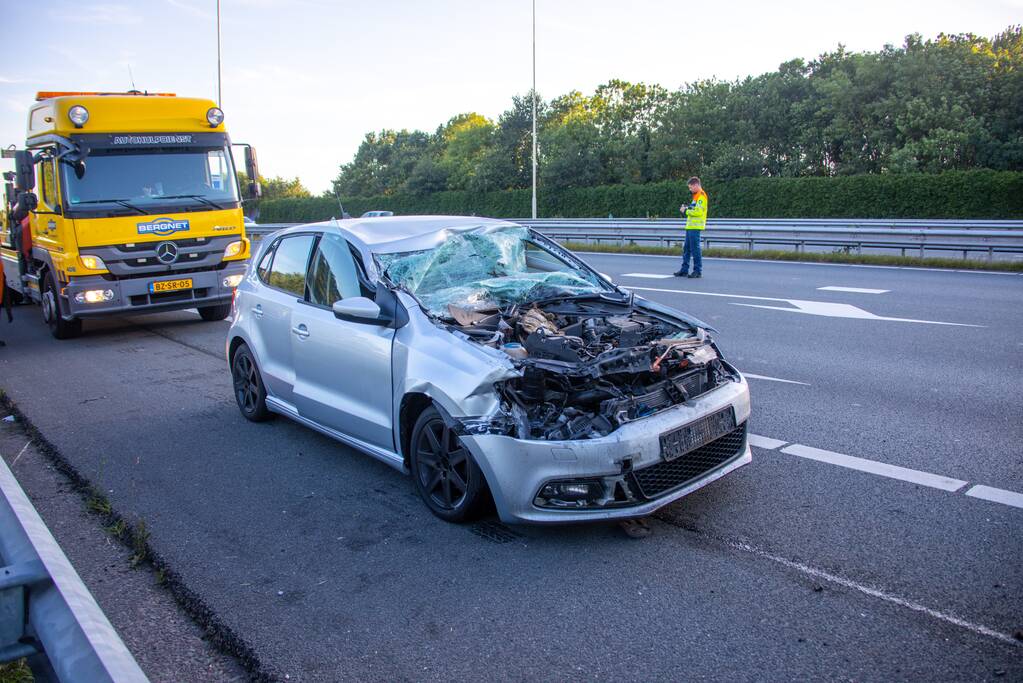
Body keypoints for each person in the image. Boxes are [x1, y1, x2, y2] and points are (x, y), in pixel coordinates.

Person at [673, 177, 708, 278]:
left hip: (695, 227)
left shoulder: (701, 196)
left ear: (696, 185)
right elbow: (694, 209)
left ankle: (697, 271)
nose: (690, 189)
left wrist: (685, 211)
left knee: (695, 249)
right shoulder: (696, 196)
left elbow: (698, 212)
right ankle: (684, 270)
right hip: (690, 227)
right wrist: (687, 208)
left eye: (691, 187)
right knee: (687, 249)